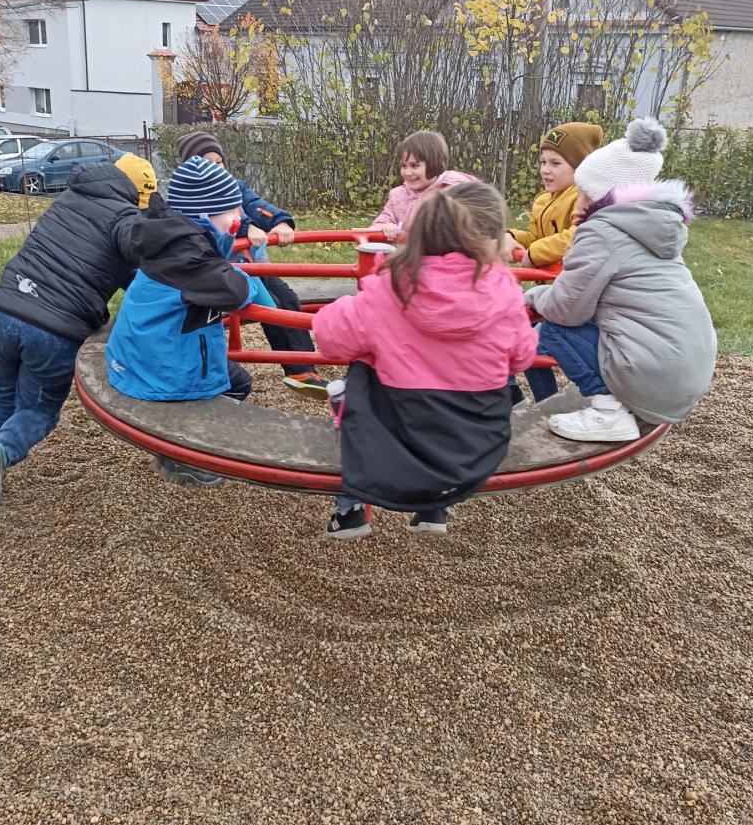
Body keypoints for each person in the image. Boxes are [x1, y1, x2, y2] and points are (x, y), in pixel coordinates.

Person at [311, 181, 539, 540]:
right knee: (441, 374)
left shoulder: (393, 287)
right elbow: (522, 357)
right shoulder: (504, 291)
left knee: (366, 362)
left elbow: (330, 340)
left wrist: (347, 306)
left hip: (392, 445)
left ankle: (349, 507)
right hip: (476, 449)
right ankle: (434, 507)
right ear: (493, 239)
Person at [0, 153, 160, 525]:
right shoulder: (125, 217)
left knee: (0, 392)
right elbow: (140, 260)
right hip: (54, 327)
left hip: (5, 306)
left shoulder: (71, 196)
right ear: (138, 195)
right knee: (38, 409)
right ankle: (0, 451)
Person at [524, 117, 717, 442]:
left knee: (552, 328)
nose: (577, 205)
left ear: (600, 197)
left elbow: (565, 308)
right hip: (685, 375)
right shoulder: (648, 227)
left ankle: (608, 412)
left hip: (652, 376)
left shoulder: (602, 232)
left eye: (583, 194)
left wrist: (527, 299)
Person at [105, 155, 273, 486]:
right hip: (159, 369)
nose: (239, 217)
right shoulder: (190, 256)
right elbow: (237, 291)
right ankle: (182, 454)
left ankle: (180, 444)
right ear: (206, 214)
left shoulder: (173, 240)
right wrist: (244, 275)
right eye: (232, 210)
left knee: (235, 381)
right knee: (233, 386)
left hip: (141, 354)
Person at [176, 130, 329, 396]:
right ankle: (292, 369)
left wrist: (279, 221)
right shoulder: (193, 193)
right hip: (224, 270)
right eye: (207, 163)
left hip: (252, 264)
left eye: (219, 162)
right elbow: (211, 220)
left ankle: (302, 370)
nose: (216, 168)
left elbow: (257, 205)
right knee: (269, 308)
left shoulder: (235, 186)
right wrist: (247, 228)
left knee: (288, 300)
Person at [505, 122, 603, 269]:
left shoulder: (585, 199)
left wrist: (537, 253)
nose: (545, 170)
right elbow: (537, 239)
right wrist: (512, 236)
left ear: (580, 167)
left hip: (574, 279)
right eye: (543, 162)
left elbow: (578, 236)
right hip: (551, 282)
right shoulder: (543, 200)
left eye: (555, 163)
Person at [370, 130, 451, 240]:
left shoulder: (453, 191)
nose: (407, 173)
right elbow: (383, 220)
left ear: (435, 163)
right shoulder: (398, 196)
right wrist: (385, 227)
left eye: (414, 166)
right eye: (404, 166)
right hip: (409, 250)